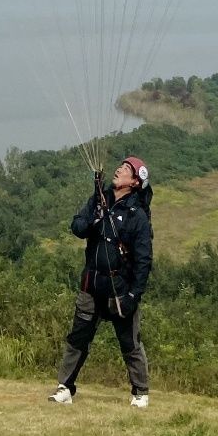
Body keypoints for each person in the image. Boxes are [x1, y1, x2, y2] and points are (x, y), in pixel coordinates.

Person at [50, 155, 153, 408]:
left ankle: (140, 392)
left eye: (126, 169)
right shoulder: (99, 200)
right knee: (78, 338)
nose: (119, 170)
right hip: (91, 284)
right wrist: (93, 220)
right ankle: (65, 387)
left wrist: (134, 295)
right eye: (121, 166)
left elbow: (143, 261)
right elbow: (77, 226)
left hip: (119, 289)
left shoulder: (136, 215)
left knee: (129, 342)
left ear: (134, 183)